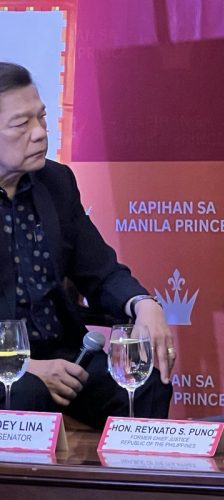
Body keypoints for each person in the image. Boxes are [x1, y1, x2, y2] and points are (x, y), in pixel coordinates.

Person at [0, 62, 174, 428]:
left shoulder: (56, 182)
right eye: (21, 124)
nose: (39, 133)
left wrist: (144, 304)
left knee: (145, 382)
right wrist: (23, 366)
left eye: (41, 118)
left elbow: (102, 272)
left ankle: (131, 468)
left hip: (67, 353)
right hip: (7, 365)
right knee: (24, 391)